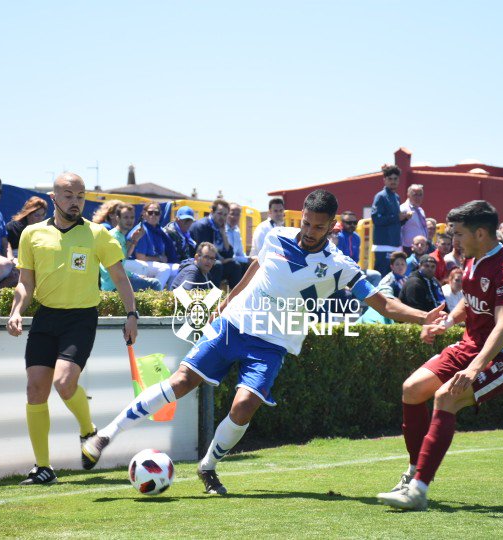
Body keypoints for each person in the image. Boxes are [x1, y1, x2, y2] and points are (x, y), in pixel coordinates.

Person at [81, 189, 445, 494]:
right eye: (306, 222)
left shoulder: (340, 264)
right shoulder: (276, 236)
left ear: (332, 226)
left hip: (273, 341)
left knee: (244, 406)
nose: (310, 230)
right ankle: (105, 436)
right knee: (181, 381)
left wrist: (422, 317)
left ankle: (208, 466)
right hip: (235, 324)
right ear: (301, 216)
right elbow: (255, 268)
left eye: (319, 227)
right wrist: (227, 301)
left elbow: (384, 303)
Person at [377, 200, 503, 511]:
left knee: (445, 398)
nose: (453, 241)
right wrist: (446, 322)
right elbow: (470, 300)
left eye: (458, 234)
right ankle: (412, 474)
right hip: (470, 344)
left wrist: (475, 369)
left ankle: (418, 490)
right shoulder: (474, 259)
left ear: (480, 233)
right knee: (412, 389)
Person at [6, 172, 139, 486]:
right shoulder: (31, 234)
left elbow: (120, 277)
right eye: (68, 195)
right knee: (35, 389)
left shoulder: (97, 234)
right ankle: (43, 468)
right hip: (46, 317)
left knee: (64, 383)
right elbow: (26, 283)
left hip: (80, 318)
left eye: (80, 195)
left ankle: (88, 431)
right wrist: (16, 311)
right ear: (54, 198)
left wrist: (132, 314)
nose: (75, 201)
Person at [101, 204, 161, 292]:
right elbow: (117, 268)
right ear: (118, 218)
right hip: (114, 284)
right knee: (155, 283)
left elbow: (123, 257)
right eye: (126, 217)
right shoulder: (114, 237)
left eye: (132, 217)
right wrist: (134, 275)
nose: (129, 220)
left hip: (114, 281)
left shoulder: (120, 235)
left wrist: (134, 240)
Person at [189, 199, 241, 288]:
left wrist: (224, 234)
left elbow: (229, 254)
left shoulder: (219, 227)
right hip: (196, 262)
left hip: (213, 260)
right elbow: (204, 253)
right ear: (212, 212)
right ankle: (213, 298)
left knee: (236, 266)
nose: (222, 217)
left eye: (225, 215)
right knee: (217, 265)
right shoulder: (202, 226)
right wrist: (221, 260)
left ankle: (235, 297)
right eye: (219, 213)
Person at [371, 164, 408, 277]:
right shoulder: (381, 196)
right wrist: (397, 217)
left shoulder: (396, 197)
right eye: (390, 179)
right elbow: (376, 219)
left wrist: (404, 219)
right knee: (382, 278)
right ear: (384, 180)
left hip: (395, 246)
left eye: (395, 179)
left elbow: (395, 222)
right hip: (383, 246)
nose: (393, 181)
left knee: (393, 279)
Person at [131, 202, 178, 289]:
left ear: (160, 215)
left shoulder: (159, 230)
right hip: (133, 263)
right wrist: (159, 259)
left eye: (156, 213)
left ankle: (170, 296)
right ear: (144, 214)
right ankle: (155, 296)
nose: (153, 215)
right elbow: (140, 257)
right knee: (165, 268)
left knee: (177, 268)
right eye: (150, 212)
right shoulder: (142, 229)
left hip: (150, 263)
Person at [337, 210, 381, 286]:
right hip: (341, 272)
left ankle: (367, 297)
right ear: (342, 223)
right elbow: (339, 260)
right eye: (349, 223)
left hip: (353, 270)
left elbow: (356, 258)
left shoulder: (356, 237)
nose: (352, 225)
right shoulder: (338, 237)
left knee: (376, 275)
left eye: (354, 222)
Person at [400, 184, 428, 255]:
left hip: (421, 248)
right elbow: (399, 229)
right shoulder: (403, 209)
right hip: (408, 248)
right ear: (408, 195)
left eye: (420, 195)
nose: (418, 197)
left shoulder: (420, 210)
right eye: (415, 195)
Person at [225, 203, 251, 279]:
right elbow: (229, 256)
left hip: (234, 261)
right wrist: (246, 259)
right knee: (237, 265)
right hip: (224, 262)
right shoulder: (222, 229)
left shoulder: (236, 230)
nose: (234, 217)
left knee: (251, 265)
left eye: (237, 214)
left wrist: (250, 259)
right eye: (232, 214)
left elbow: (240, 253)